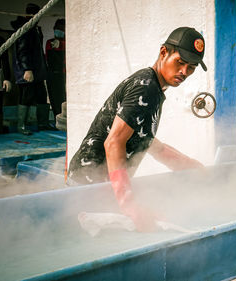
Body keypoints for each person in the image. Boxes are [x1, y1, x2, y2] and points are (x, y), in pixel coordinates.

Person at [68, 27, 207, 231]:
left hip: (102, 190)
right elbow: (114, 142)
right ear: (163, 53)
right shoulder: (146, 87)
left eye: (191, 67)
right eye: (180, 62)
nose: (184, 72)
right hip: (88, 189)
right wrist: (129, 205)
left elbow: (147, 142)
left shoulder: (153, 87)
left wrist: (189, 166)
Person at [11, 3, 50, 135]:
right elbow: (22, 50)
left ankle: (43, 123)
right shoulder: (25, 28)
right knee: (26, 97)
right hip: (28, 70)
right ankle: (21, 125)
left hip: (37, 70)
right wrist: (27, 69)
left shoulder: (35, 28)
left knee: (41, 96)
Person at [45, 18, 66, 118]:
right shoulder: (50, 42)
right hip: (53, 74)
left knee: (63, 98)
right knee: (54, 98)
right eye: (57, 29)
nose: (58, 31)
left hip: (63, 75)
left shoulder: (68, 43)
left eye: (61, 29)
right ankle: (56, 118)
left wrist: (61, 44)